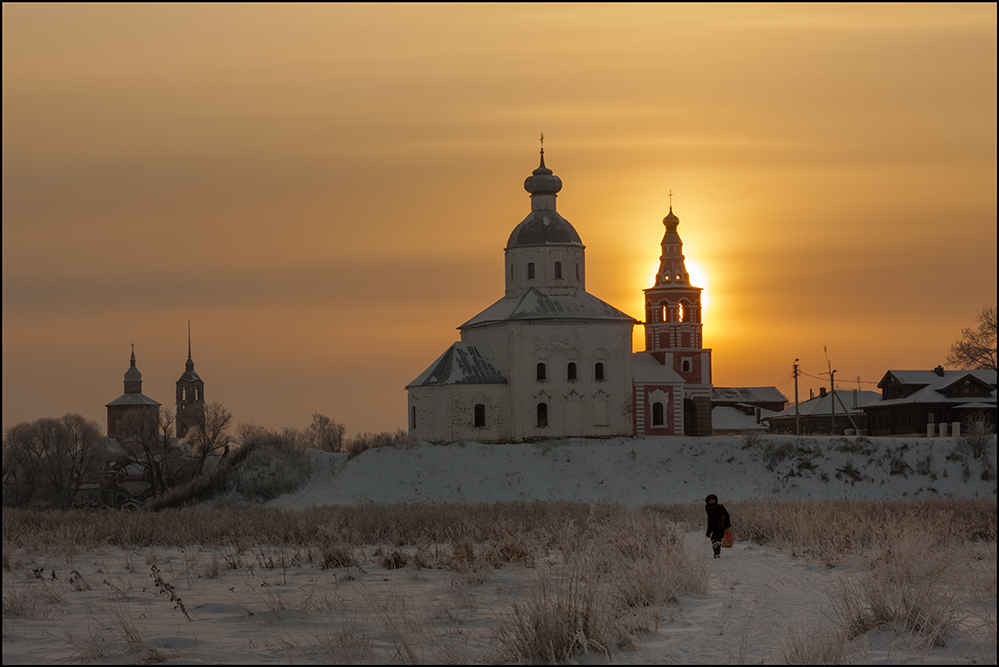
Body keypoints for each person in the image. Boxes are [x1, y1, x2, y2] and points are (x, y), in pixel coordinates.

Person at [705, 494, 731, 558]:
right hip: (712, 526)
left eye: (713, 500)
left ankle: (717, 553)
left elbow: (726, 515)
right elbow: (710, 519)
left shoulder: (720, 506)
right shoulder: (708, 508)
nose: (712, 501)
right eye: (710, 500)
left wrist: (727, 524)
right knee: (713, 540)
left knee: (717, 540)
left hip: (720, 526)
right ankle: (716, 552)